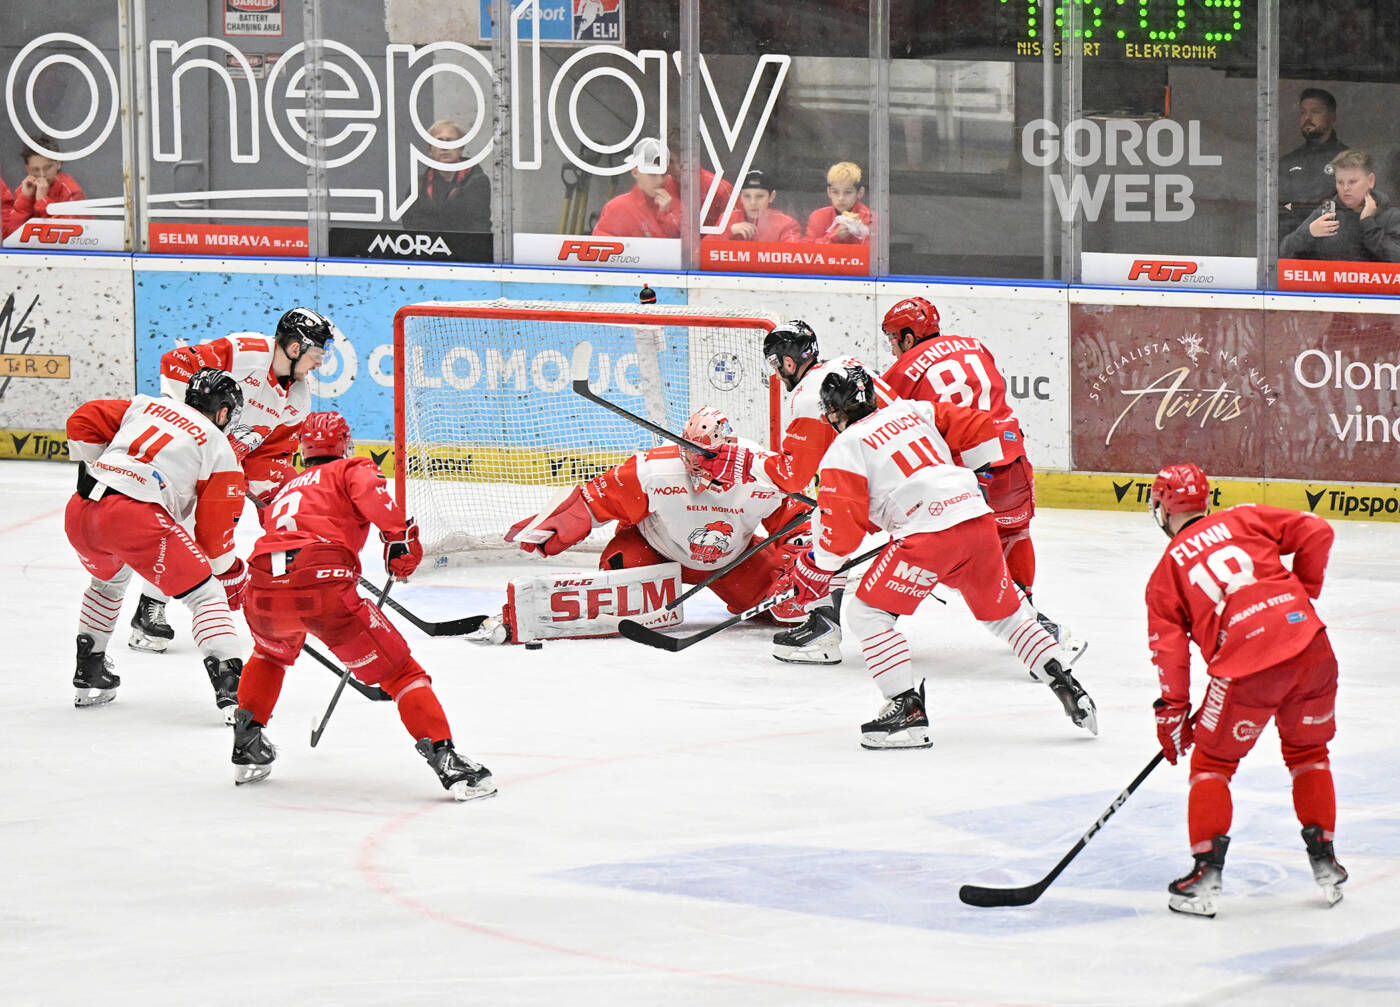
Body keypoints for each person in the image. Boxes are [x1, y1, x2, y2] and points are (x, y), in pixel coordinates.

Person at [763, 363, 1096, 749]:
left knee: (867, 615)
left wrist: (815, 567)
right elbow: (979, 425)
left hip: (928, 535)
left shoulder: (845, 447)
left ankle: (906, 711)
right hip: (976, 518)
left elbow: (841, 536)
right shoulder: (913, 410)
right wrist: (974, 477)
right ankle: (1067, 683)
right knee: (1006, 617)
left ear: (833, 411)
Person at [230, 411, 496, 801]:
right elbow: (373, 498)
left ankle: (247, 745)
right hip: (322, 585)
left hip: (262, 588)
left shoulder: (286, 489)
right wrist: (399, 538)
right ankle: (449, 763)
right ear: (345, 444)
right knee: (402, 673)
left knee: (270, 654)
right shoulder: (351, 468)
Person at [1145, 463, 1347, 917]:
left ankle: (1204, 877)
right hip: (1311, 646)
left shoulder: (1167, 570)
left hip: (1247, 666)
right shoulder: (1244, 517)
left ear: (1163, 507)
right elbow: (1317, 530)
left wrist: (1172, 712)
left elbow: (1169, 651)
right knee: (1308, 753)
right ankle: (1326, 862)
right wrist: (1304, 592)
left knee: (1212, 763)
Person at [504, 406, 816, 637]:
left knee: (787, 606)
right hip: (654, 552)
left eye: (707, 456)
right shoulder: (655, 468)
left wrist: (796, 564)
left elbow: (800, 523)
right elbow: (596, 500)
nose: (698, 464)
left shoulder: (761, 468)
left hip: (731, 561)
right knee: (619, 573)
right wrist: (557, 524)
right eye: (692, 454)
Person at [129, 307, 336, 653]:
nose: (320, 361)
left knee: (211, 531)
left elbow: (270, 455)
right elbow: (175, 362)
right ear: (295, 347)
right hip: (180, 456)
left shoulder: (297, 398)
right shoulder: (246, 352)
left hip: (220, 470)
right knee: (179, 525)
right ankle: (148, 607)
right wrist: (196, 427)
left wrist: (279, 500)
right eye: (317, 351)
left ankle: (152, 608)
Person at [879, 296, 1078, 649]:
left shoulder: (901, 372)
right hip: (1011, 455)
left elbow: (884, 426)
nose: (894, 349)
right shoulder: (975, 346)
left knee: (948, 551)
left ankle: (879, 616)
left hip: (965, 472)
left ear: (908, 337)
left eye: (894, 339)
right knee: (1015, 532)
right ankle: (1028, 606)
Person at [696, 320, 892, 663]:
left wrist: (743, 462)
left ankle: (824, 631)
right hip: (911, 467)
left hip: (886, 488)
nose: (777, 372)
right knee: (825, 526)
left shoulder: (810, 395)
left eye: (776, 364)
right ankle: (825, 625)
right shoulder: (848, 366)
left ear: (788, 362)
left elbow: (791, 477)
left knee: (824, 532)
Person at [64, 368, 249, 721]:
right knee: (206, 594)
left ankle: (89, 672)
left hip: (81, 510)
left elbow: (82, 419)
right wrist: (232, 574)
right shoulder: (218, 445)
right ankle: (233, 690)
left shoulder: (146, 405)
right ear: (224, 411)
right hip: (135, 516)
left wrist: (106, 466)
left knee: (107, 583)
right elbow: (214, 544)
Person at [1280, 148, 1400, 262]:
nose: (1345, 188)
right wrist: (1309, 233)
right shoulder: (1327, 212)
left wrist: (1369, 224)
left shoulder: (1390, 215)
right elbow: (1284, 251)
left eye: (1353, 182)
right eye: (1340, 182)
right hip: (1330, 277)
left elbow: (1396, 257)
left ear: (1370, 181)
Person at [1278, 89, 1348, 242]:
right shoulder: (1288, 162)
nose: (1307, 118)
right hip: (1294, 248)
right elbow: (1278, 212)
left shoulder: (1348, 160)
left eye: (1315, 111)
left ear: (1332, 117)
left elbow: (1356, 209)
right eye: (1303, 112)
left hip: (1334, 247)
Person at [400, 118, 491, 234]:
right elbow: (411, 224)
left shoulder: (477, 181)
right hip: (430, 244)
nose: (444, 147)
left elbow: (475, 223)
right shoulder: (419, 184)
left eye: (450, 141)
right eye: (439, 141)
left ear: (461, 148)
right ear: (430, 149)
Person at [592, 137, 682, 239]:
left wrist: (667, 216)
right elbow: (601, 245)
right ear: (635, 172)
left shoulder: (674, 205)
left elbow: (688, 244)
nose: (660, 180)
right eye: (652, 174)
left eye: (664, 174)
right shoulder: (618, 208)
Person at [9, 137, 86, 233]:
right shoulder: (25, 189)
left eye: (47, 167)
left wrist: (43, 200)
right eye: (36, 170)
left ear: (58, 163)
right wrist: (25, 199)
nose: (42, 175)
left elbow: (70, 232)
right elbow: (11, 234)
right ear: (27, 169)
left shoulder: (70, 190)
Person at [725, 169, 802, 243]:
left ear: (771, 196)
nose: (753, 202)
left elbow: (793, 250)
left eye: (759, 196)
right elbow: (716, 242)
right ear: (740, 197)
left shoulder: (786, 224)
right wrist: (729, 231)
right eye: (747, 196)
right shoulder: (727, 220)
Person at [805, 161, 872, 245]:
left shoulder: (869, 219)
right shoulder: (818, 217)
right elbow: (807, 250)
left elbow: (872, 251)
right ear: (829, 192)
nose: (841, 198)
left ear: (860, 193)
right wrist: (834, 236)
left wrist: (861, 233)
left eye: (848, 192)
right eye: (835, 192)